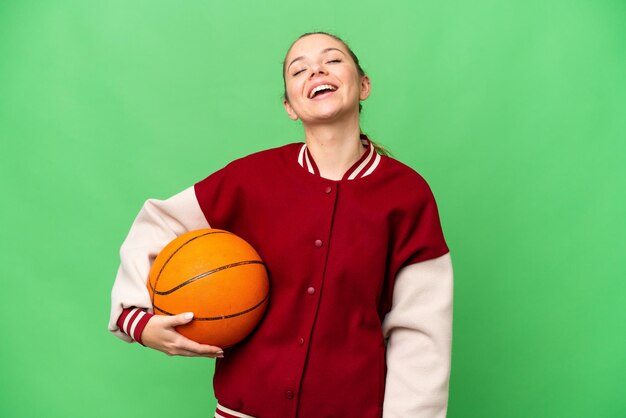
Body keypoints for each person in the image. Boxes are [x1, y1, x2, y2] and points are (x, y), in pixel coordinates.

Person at [109, 32, 453, 418]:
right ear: (290, 106)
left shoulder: (407, 195)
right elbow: (158, 222)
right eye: (299, 69)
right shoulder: (252, 178)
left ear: (364, 85)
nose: (317, 70)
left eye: (333, 60)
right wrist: (136, 320)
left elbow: (420, 330)